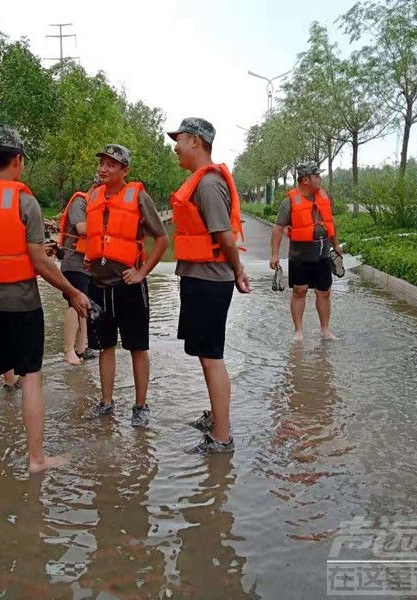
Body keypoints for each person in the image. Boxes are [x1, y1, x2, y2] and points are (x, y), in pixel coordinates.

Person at [0, 124, 90, 471]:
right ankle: (36, 459)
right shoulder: (25, 202)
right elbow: (40, 262)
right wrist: (72, 292)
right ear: (17, 160)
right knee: (31, 379)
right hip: (23, 305)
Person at [168, 117, 251, 454]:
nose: (175, 147)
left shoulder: (208, 184)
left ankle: (222, 435)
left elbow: (225, 236)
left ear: (196, 142)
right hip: (199, 277)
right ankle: (217, 417)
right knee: (206, 355)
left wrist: (238, 270)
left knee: (212, 357)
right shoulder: (199, 182)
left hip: (209, 280)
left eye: (180, 139)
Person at [84, 144, 168, 426]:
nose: (103, 168)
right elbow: (98, 235)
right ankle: (106, 403)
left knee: (137, 347)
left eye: (111, 164)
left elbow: (162, 239)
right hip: (98, 285)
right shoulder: (94, 196)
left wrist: (142, 272)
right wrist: (90, 257)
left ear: (124, 170)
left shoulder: (138, 197)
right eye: (102, 163)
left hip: (129, 286)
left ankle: (140, 406)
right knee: (105, 346)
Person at [269, 161, 343, 342]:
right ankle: (298, 332)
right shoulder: (289, 202)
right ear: (305, 180)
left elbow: (331, 223)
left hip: (323, 253)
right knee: (299, 291)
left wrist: (336, 244)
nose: (320, 179)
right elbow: (278, 228)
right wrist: (274, 254)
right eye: (316, 176)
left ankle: (325, 330)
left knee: (324, 292)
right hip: (300, 256)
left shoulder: (324, 197)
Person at [58, 178, 96, 365]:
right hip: (74, 264)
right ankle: (68, 350)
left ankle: (82, 348)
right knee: (75, 304)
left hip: (88, 266)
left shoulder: (97, 207)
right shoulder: (80, 202)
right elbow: (82, 229)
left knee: (85, 305)